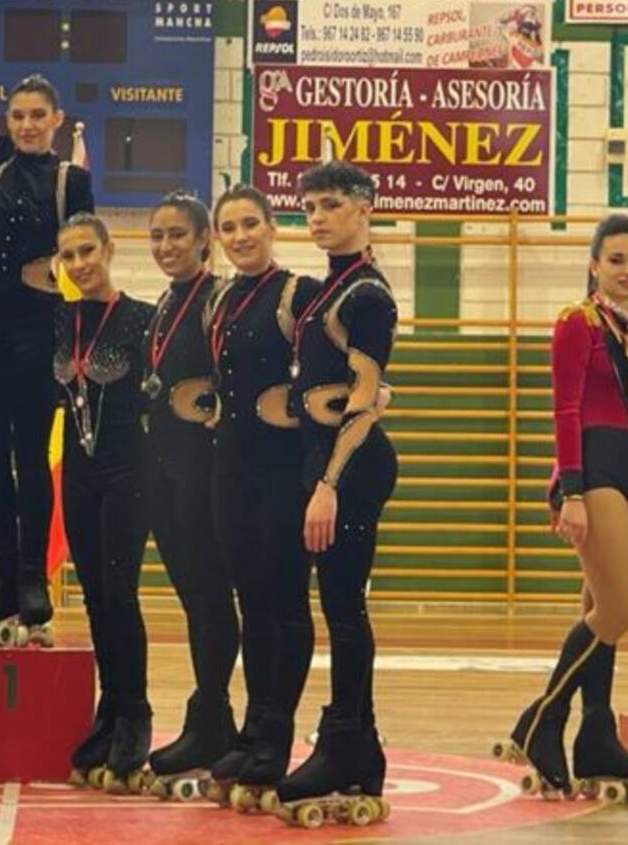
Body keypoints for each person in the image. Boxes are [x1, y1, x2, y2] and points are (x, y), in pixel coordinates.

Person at [0, 0, 94, 645]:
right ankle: (1, 574)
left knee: (30, 456)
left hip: (38, 327)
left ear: (56, 121)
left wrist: (53, 271)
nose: (28, 124)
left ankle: (33, 574)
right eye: (19, 115)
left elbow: (83, 253)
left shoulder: (72, 179)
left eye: (39, 115)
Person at [497, 214, 628, 803]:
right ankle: (543, 718)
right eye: (616, 260)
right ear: (594, 264)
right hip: (594, 470)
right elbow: (565, 409)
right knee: (619, 610)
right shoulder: (576, 322)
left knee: (599, 605)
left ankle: (596, 735)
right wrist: (570, 491)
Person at [270, 161, 396, 827]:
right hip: (324, 466)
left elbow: (364, 404)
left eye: (330, 204)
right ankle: (361, 749)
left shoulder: (367, 296)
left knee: (345, 611)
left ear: (364, 207)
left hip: (352, 469)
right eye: (310, 206)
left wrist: (328, 486)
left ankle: (345, 739)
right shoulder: (330, 289)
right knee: (339, 607)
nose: (316, 216)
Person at [198, 185, 318, 810]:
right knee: (251, 605)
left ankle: (276, 734)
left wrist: (294, 407)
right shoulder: (221, 298)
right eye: (229, 227)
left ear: (272, 227)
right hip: (231, 469)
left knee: (285, 602)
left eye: (250, 224)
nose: (240, 236)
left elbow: (339, 378)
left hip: (282, 472)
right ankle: (252, 728)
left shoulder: (299, 294)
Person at [139, 192, 240, 801]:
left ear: (205, 240)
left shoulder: (217, 301)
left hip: (205, 470)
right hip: (164, 469)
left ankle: (213, 719)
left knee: (211, 598)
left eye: (178, 235)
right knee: (194, 600)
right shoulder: (166, 302)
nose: (166, 246)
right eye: (157, 236)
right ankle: (213, 722)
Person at [53, 214, 156, 794]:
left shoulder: (140, 318)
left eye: (87, 251)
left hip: (127, 470)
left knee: (120, 593)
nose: (79, 264)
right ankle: (109, 709)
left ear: (109, 249)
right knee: (95, 598)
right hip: (79, 472)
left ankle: (135, 713)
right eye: (68, 256)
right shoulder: (59, 320)